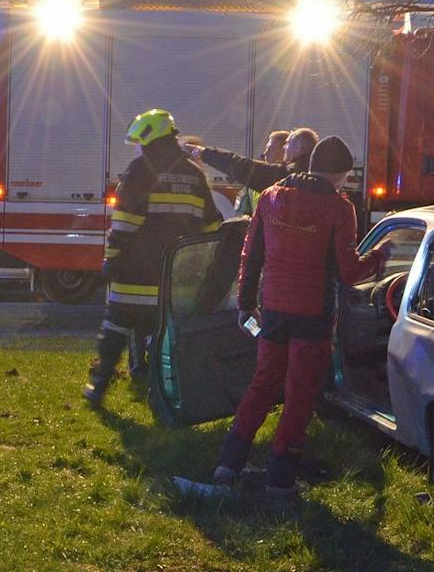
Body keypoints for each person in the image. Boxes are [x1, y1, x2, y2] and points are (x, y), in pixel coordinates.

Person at [209, 136, 388, 495]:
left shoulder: (271, 196)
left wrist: (247, 304)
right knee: (299, 395)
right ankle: (280, 478)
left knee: (262, 384)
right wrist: (380, 255)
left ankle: (227, 465)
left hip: (272, 309)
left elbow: (251, 253)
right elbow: (348, 272)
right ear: (339, 175)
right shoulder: (339, 208)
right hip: (313, 315)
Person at [83, 108, 222, 406]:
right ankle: (162, 396)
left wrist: (111, 258)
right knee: (163, 339)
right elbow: (212, 224)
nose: (137, 148)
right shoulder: (195, 174)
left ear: (150, 137)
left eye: (139, 142)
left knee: (115, 330)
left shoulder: (141, 170)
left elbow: (123, 223)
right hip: (174, 278)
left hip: (134, 274)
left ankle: (99, 387)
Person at [189, 127, 319, 215]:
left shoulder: (288, 176)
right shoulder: (322, 179)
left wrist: (204, 153)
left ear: (299, 148)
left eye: (288, 143)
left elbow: (242, 166)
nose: (285, 147)